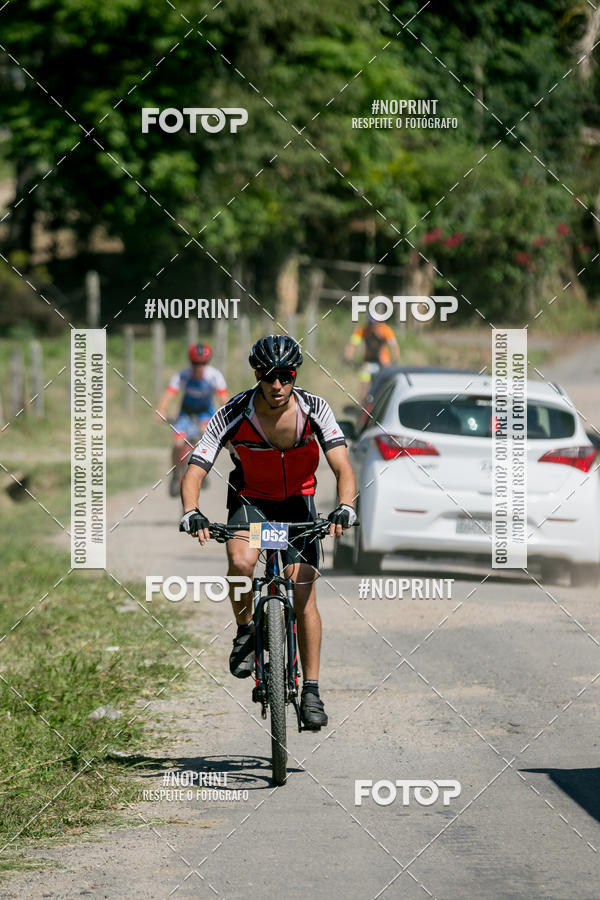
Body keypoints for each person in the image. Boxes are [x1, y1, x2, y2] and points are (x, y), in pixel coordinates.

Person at [179, 335, 357, 729]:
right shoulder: (233, 412)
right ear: (256, 374)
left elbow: (343, 467)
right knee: (241, 562)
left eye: (285, 376)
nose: (277, 384)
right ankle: (245, 631)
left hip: (297, 504)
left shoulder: (315, 409)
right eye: (267, 375)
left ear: (295, 375)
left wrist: (345, 506)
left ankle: (311, 690)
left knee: (303, 591)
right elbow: (196, 468)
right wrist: (191, 511)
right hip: (252, 503)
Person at [156, 343, 228, 496]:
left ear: (207, 363)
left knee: (204, 433)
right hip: (186, 414)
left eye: (203, 364)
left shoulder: (215, 376)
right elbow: (168, 395)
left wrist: (227, 415)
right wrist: (161, 410)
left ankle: (203, 469)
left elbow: (224, 400)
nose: (199, 367)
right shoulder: (182, 375)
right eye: (195, 364)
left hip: (206, 413)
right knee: (178, 443)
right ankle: (175, 474)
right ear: (191, 363)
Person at [343, 316, 400, 402]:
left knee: (383, 387)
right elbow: (352, 344)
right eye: (371, 324)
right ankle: (363, 406)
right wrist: (348, 358)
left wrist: (395, 361)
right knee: (364, 385)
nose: (373, 327)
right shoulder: (363, 330)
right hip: (368, 362)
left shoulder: (386, 330)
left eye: (375, 324)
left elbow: (394, 347)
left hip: (383, 363)